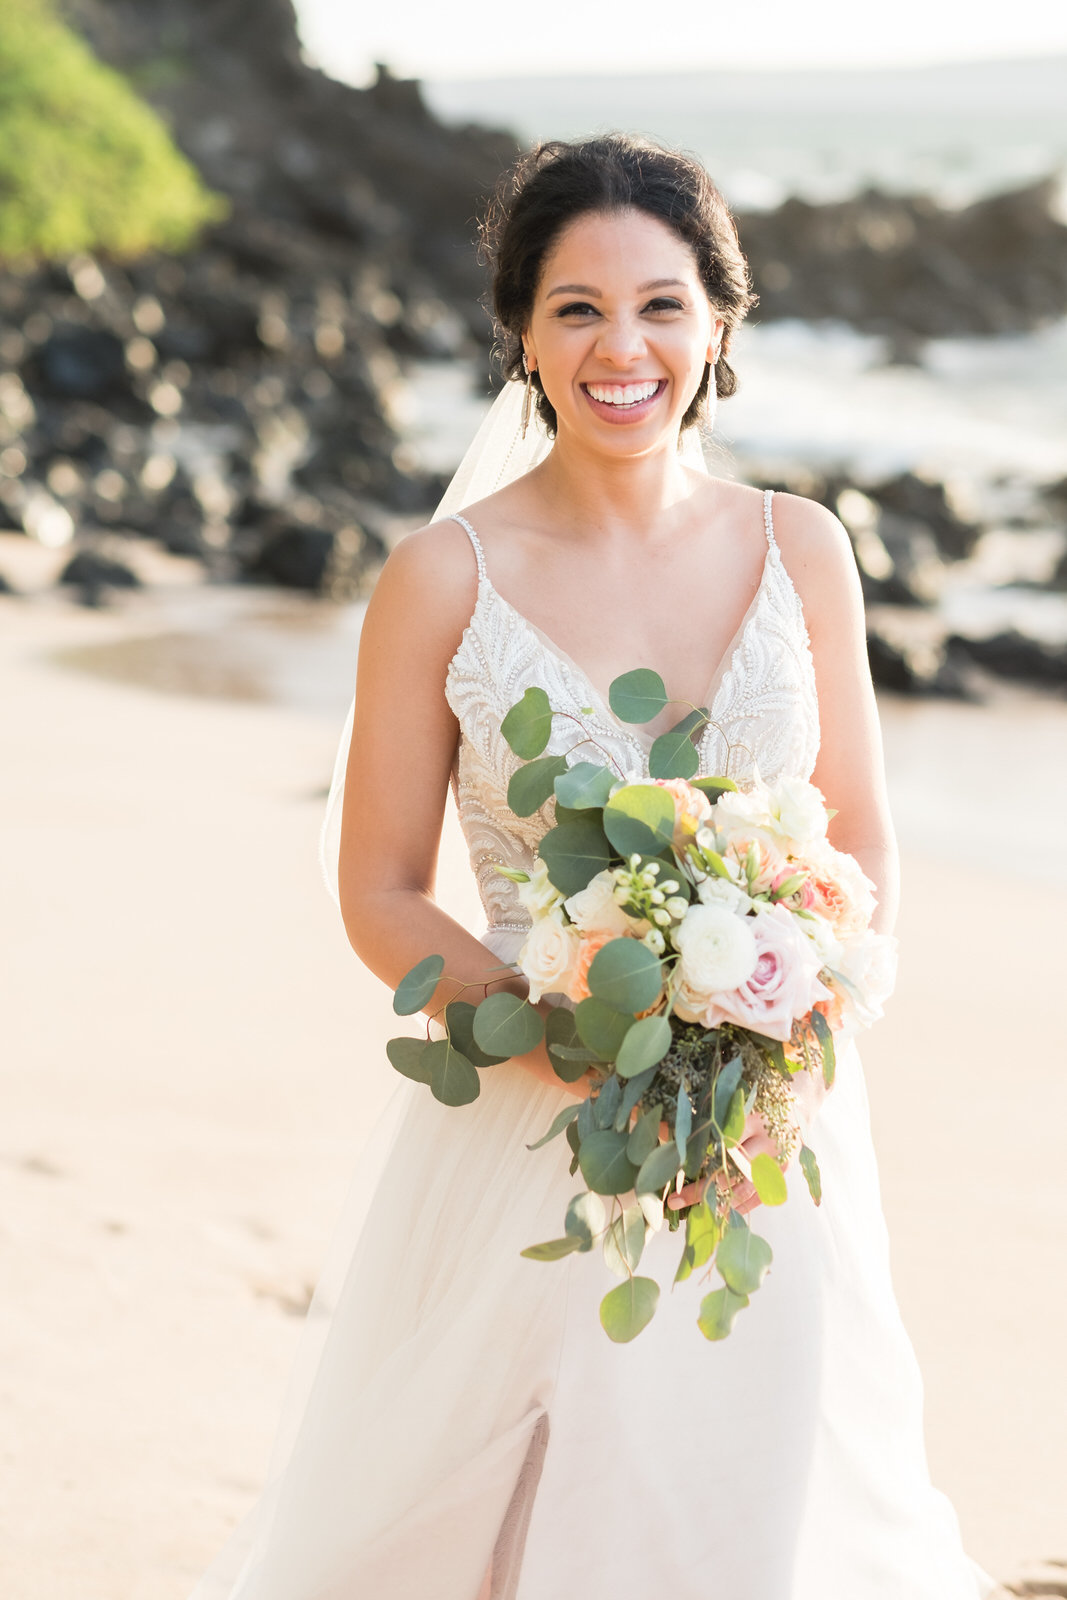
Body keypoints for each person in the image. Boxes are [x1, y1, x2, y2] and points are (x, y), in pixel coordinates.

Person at [190, 135, 998, 1600]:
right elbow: (377, 885)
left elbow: (859, 832)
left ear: (720, 324)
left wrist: (794, 997)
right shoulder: (444, 579)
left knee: (752, 1493)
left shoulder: (802, 549)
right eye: (576, 308)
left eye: (661, 305)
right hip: (530, 1117)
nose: (621, 348)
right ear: (522, 332)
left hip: (772, 1130)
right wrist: (556, 1028)